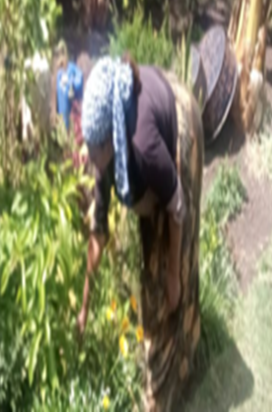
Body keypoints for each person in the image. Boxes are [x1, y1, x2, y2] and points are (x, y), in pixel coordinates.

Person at [76, 55, 204, 411]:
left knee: (173, 281)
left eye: (94, 150)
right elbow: (98, 234)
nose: (90, 158)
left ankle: (175, 376)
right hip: (149, 147)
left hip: (179, 122)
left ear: (111, 141)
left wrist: (174, 273)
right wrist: (84, 306)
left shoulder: (143, 145)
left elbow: (177, 204)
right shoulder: (106, 153)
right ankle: (159, 355)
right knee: (152, 275)